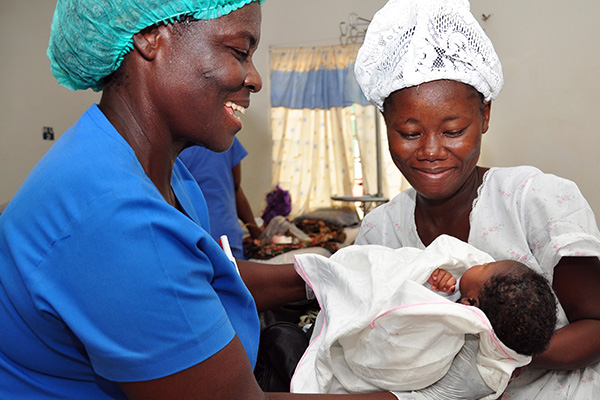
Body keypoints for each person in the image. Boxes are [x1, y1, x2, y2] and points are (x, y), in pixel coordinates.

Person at [0, 1, 493, 400]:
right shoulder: (117, 221)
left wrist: (351, 275)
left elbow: (216, 277)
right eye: (239, 49)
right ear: (151, 38)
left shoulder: (156, 172)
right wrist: (423, 394)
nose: (255, 77)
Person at [353, 0, 600, 398]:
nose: (431, 150)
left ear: (484, 116)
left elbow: (596, 324)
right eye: (410, 132)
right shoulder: (380, 233)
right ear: (386, 125)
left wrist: (498, 359)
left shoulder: (535, 202)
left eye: (453, 130)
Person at [291, 235, 556, 397]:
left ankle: (297, 339)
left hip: (383, 358)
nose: (480, 261)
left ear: (470, 303)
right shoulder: (460, 289)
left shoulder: (449, 319)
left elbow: (405, 298)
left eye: (485, 266)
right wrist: (440, 277)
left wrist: (429, 284)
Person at [179, 138, 263, 259]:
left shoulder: (176, 145)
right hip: (228, 237)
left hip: (196, 239)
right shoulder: (225, 138)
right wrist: (255, 231)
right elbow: (236, 188)